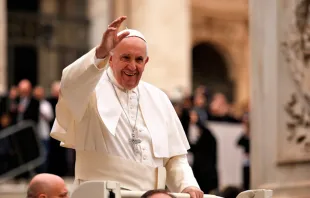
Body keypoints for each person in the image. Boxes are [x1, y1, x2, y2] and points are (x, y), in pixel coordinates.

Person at [50, 16, 203, 198]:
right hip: (102, 194)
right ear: (111, 59)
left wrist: (187, 185)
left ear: (146, 62)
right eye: (125, 58)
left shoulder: (159, 98)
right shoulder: (90, 89)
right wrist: (100, 52)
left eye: (139, 59)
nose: (132, 66)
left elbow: (175, 158)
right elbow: (70, 84)